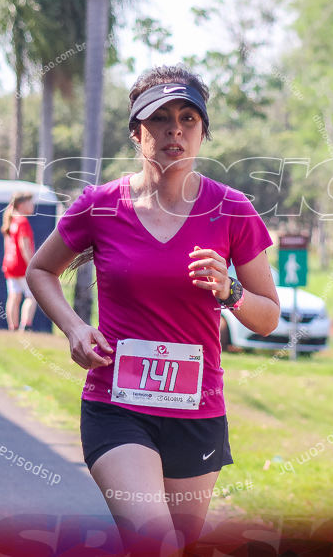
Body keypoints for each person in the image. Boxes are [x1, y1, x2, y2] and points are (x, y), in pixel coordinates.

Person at [26, 65, 280, 554]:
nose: (174, 130)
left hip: (196, 409)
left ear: (203, 132)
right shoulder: (99, 206)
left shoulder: (232, 210)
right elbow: (41, 270)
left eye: (188, 118)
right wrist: (76, 328)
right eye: (159, 118)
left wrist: (230, 292)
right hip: (115, 406)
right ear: (136, 132)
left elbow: (268, 318)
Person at [1, 192, 38, 332]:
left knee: (14, 296)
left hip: (9, 264)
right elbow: (24, 246)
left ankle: (13, 327)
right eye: (30, 202)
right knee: (31, 295)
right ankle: (26, 326)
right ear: (21, 205)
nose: (33, 205)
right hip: (21, 264)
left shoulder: (11, 221)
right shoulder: (22, 221)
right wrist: (32, 266)